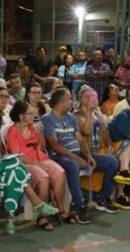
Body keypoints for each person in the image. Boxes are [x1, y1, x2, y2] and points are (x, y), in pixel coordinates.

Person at [0, 95, 57, 234]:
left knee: (14, 172)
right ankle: (35, 206)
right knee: (16, 166)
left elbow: (1, 149)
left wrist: (2, 154)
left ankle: (11, 218)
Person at [42, 88, 120, 223]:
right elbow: (54, 145)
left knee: (112, 162)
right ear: (62, 102)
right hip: (59, 156)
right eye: (69, 99)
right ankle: (79, 206)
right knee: (72, 165)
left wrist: (88, 156)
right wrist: (77, 159)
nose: (72, 102)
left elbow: (80, 140)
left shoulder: (70, 117)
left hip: (77, 154)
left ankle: (102, 197)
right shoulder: (47, 119)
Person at [7, 100, 68, 229]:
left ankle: (60, 209)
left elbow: (42, 146)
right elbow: (17, 155)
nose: (33, 116)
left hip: (41, 159)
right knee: (43, 178)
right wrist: (37, 164)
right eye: (30, 113)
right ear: (21, 116)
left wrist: (40, 132)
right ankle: (42, 216)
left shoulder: (31, 127)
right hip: (25, 163)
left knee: (60, 173)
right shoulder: (12, 131)